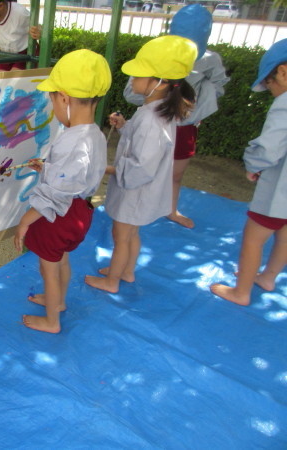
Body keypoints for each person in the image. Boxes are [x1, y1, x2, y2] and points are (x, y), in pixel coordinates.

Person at [85, 35, 197, 294]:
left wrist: (106, 169)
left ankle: (112, 281)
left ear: (159, 82)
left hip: (136, 191)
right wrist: (125, 126)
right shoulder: (154, 110)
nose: (132, 79)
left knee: (121, 236)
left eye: (138, 75)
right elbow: (140, 143)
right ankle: (126, 271)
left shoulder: (152, 118)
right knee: (131, 234)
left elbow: (142, 166)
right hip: (139, 189)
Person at [13, 49, 111, 333]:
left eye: (53, 99)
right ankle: (58, 301)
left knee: (49, 268)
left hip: (59, 215)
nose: (54, 105)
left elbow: (56, 193)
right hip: (80, 212)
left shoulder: (72, 141)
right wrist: (47, 168)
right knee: (62, 260)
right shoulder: (94, 134)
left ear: (65, 99)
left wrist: (26, 220)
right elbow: (76, 177)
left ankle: (52, 321)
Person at [123, 4, 229, 229]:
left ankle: (170, 209)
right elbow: (133, 90)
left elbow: (217, 85)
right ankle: (139, 209)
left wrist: (192, 108)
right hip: (156, 119)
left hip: (184, 127)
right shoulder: (158, 54)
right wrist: (156, 100)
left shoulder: (210, 59)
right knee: (144, 168)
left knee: (175, 174)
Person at [210, 39, 287, 305]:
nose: (270, 91)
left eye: (269, 84)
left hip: (278, 191)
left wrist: (253, 165)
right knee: (284, 233)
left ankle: (241, 292)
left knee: (254, 238)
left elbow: (270, 147)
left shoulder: (285, 104)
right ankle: (268, 277)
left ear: (283, 72)